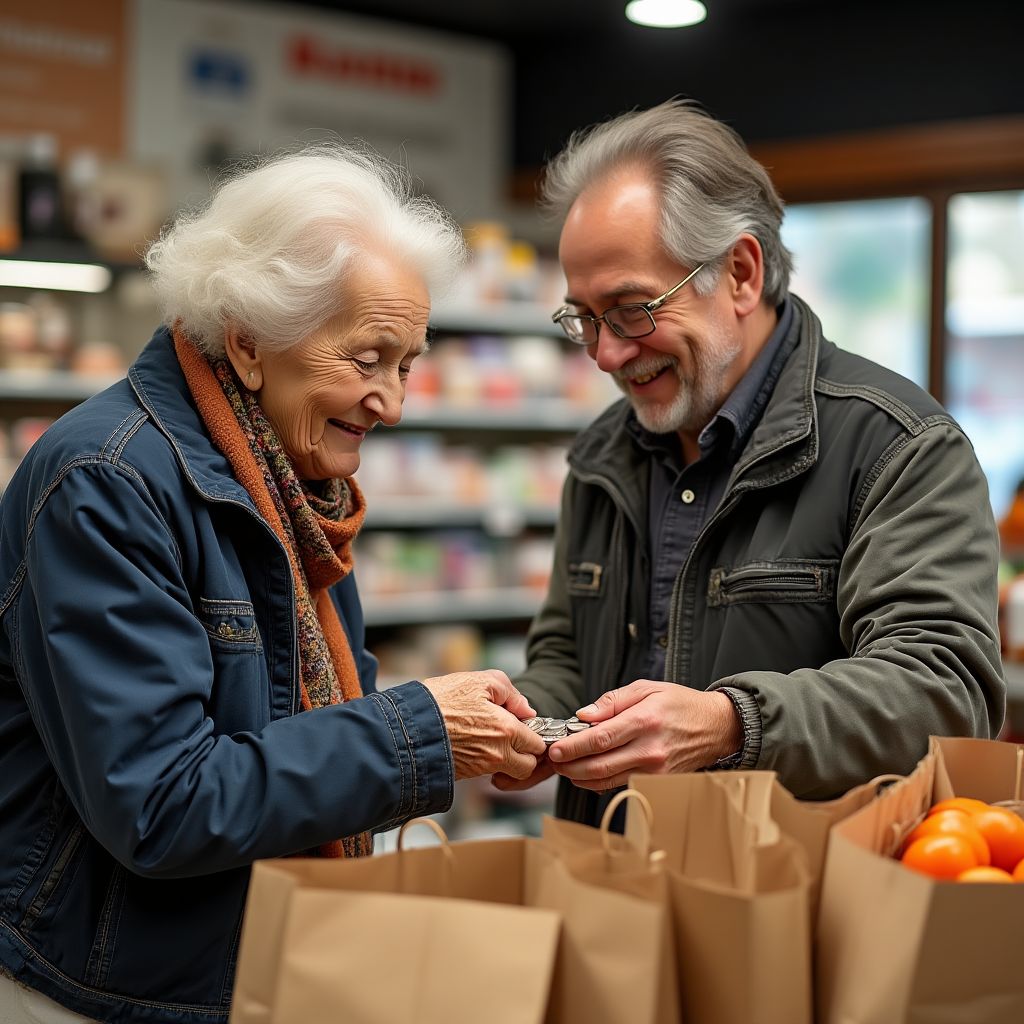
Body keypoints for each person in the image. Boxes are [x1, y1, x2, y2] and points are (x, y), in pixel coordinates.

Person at [0, 145, 546, 1024]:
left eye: (407, 363)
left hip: (248, 965)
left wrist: (448, 733)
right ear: (250, 342)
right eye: (367, 359)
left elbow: (304, 727)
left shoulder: (292, 485)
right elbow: (162, 804)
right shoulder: (107, 482)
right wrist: (418, 733)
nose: (393, 402)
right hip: (105, 992)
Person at [498, 98, 1005, 828]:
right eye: (584, 317)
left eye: (633, 309)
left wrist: (733, 723)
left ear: (739, 273)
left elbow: (943, 692)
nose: (605, 354)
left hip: (796, 887)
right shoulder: (604, 453)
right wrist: (521, 716)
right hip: (600, 873)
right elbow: (567, 653)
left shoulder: (898, 446)